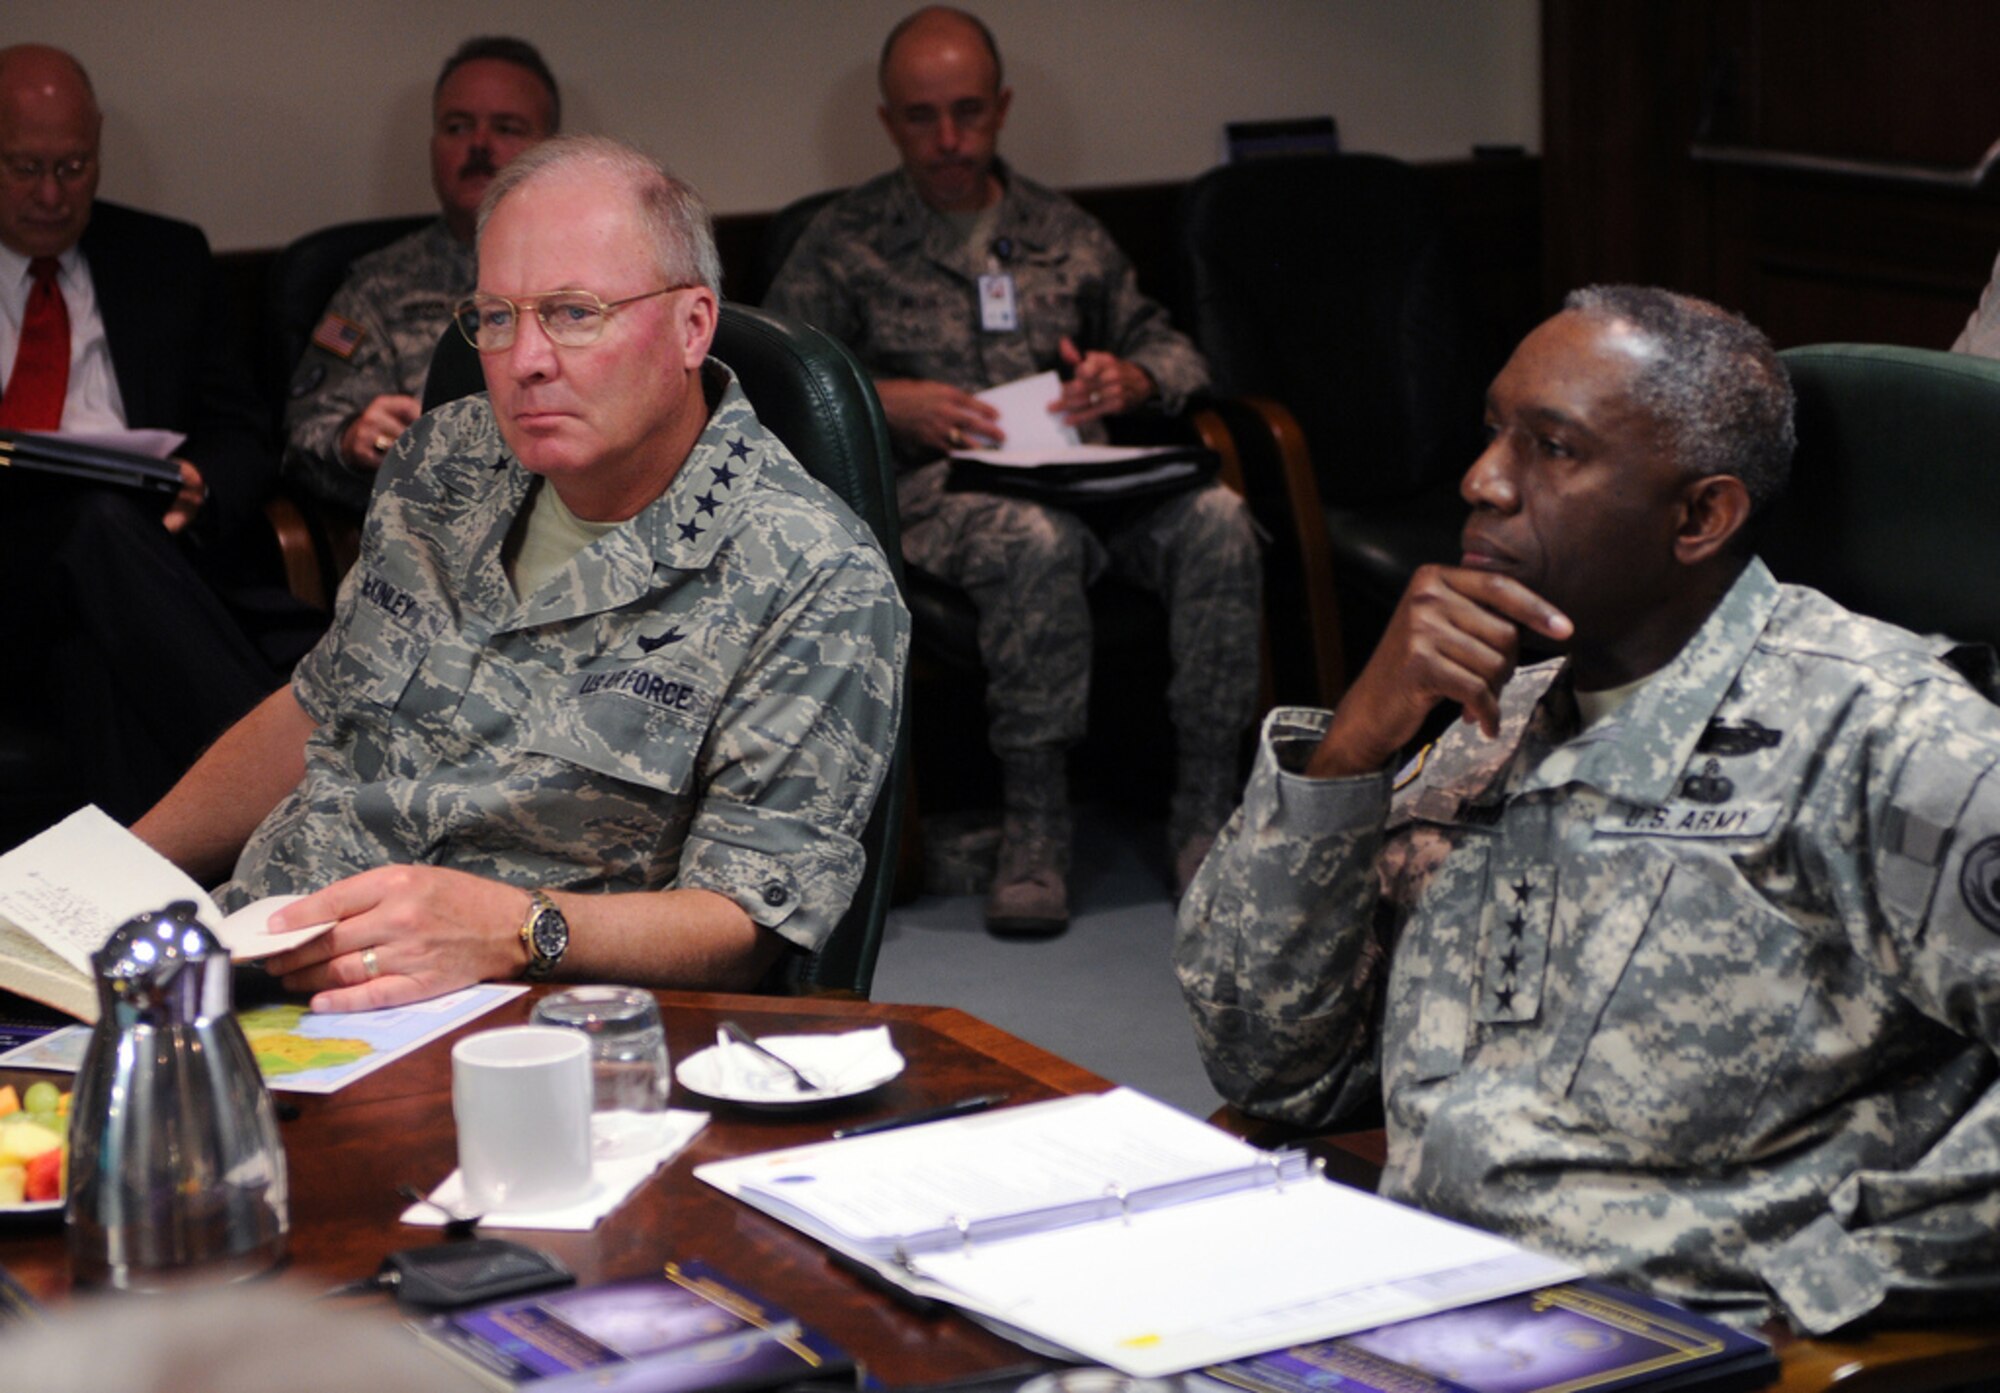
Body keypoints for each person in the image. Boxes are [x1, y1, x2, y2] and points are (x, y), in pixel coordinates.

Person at [1177, 286, 2000, 1337]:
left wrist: (1816, 1288)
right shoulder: (1488, 713)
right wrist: (1349, 750)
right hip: (1412, 1303)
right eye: (1492, 431)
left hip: (1654, 1347)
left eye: (1552, 449)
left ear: (1699, 516)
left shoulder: (1887, 739)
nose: (1480, 481)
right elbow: (1270, 1070)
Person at [134, 135, 910, 1012]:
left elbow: (742, 922)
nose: (525, 359)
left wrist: (514, 929)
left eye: (574, 313)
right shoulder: (447, 459)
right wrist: (120, 873)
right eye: (497, 317)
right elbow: (321, 705)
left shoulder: (812, 572)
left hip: (506, 1022)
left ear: (693, 326)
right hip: (258, 955)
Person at [765, 6, 1260, 936]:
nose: (949, 140)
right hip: (943, 495)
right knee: (1034, 539)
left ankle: (1206, 804)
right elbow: (782, 386)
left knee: (1221, 520)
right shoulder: (847, 240)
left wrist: (1133, 376)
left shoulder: (1061, 231)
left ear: (1002, 107)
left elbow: (1171, 346)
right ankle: (1036, 825)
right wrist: (888, 401)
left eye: (968, 112)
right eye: (922, 117)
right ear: (887, 121)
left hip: (1085, 475)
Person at [0, 44, 309, 825]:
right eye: (21, 167)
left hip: (147, 561)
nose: (48, 194)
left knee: (96, 640)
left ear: (98, 146)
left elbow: (243, 430)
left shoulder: (164, 258)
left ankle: (143, 905)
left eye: (72, 168)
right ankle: (294, 786)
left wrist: (202, 481)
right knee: (96, 525)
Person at [282, 36, 559, 517]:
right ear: (434, 148)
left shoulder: (603, 271)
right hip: (445, 535)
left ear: (552, 150)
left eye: (508, 128)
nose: (480, 145)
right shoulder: (380, 288)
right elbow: (304, 436)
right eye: (457, 127)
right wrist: (352, 438)